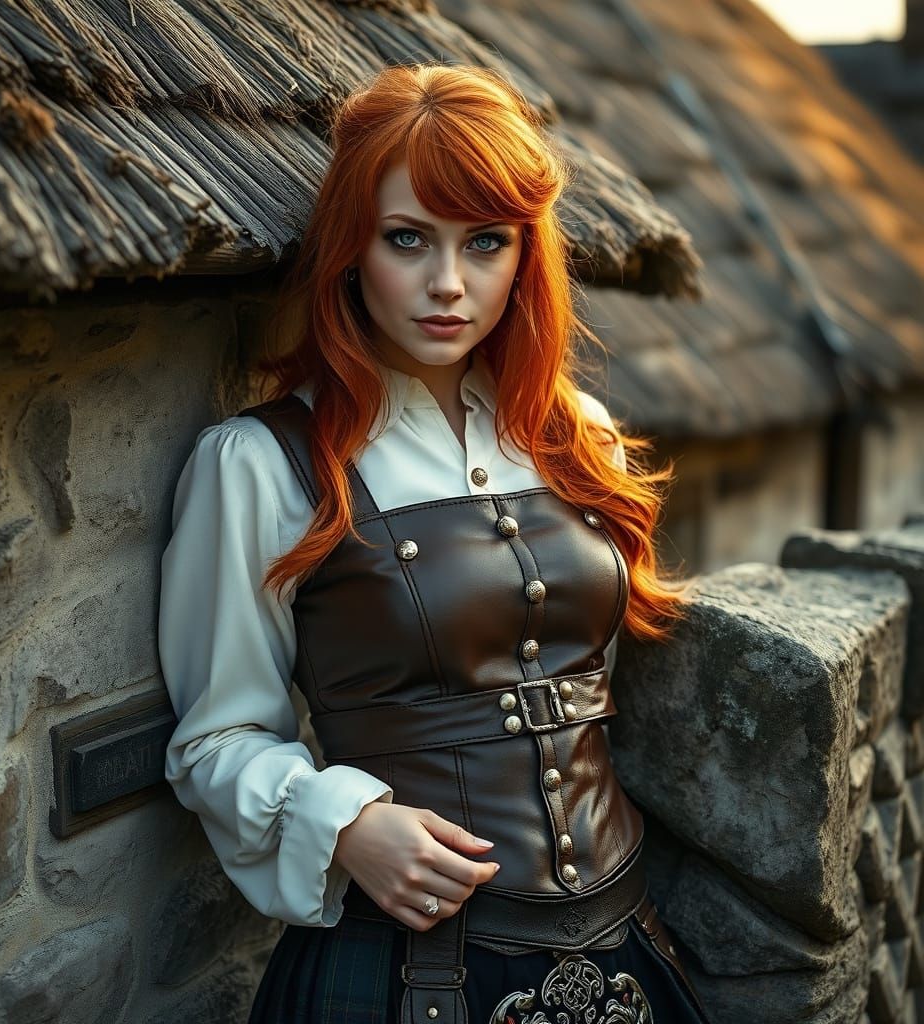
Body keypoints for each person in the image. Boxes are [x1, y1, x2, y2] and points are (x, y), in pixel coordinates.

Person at [158, 61, 709, 1024]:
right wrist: (346, 824)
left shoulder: (577, 435)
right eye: (407, 239)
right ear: (350, 250)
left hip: (628, 948)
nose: (448, 285)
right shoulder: (259, 462)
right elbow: (214, 739)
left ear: (523, 256)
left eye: (485, 243)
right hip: (409, 971)